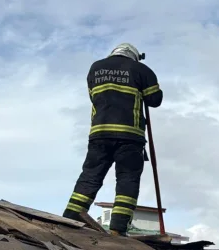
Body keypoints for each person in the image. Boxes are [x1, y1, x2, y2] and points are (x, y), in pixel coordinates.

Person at [62, 43, 163, 236]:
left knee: (90, 177)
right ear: (134, 56)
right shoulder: (141, 70)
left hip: (100, 132)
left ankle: (69, 219)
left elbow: (94, 96)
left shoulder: (95, 68)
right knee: (127, 180)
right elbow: (155, 100)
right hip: (130, 135)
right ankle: (118, 228)